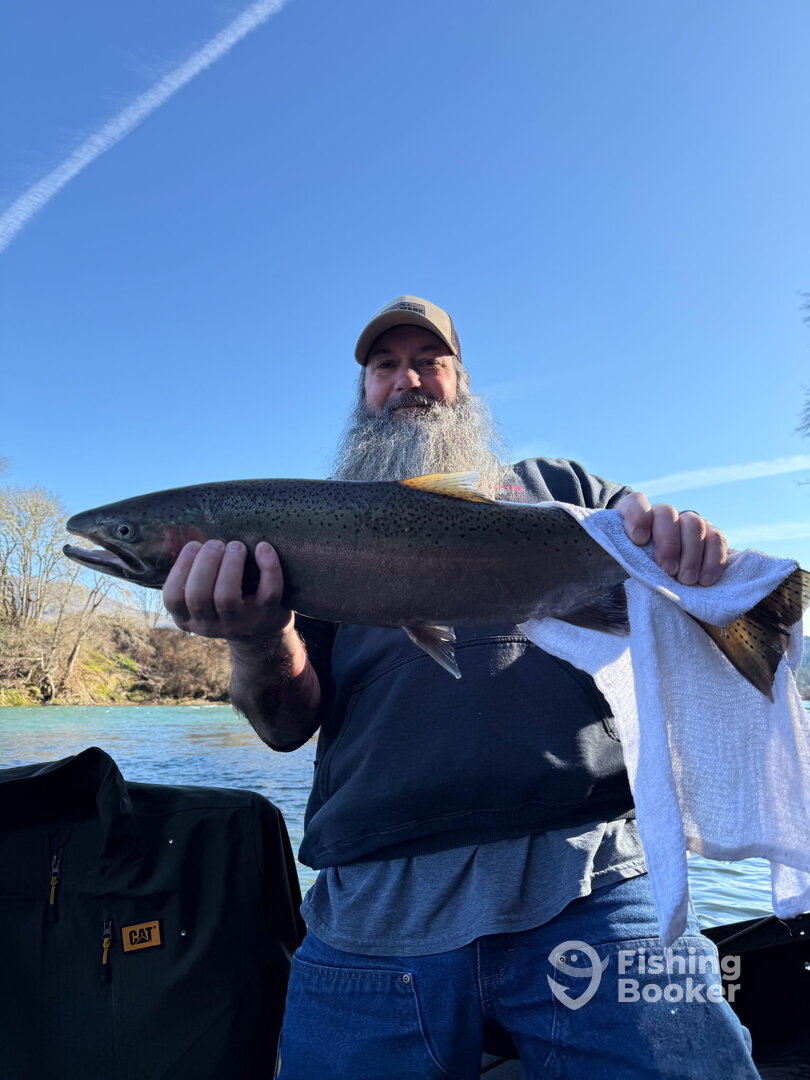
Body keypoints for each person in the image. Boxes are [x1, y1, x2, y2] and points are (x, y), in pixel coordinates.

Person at [163, 297, 759, 1079]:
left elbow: (655, 550)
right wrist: (255, 633)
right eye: (384, 366)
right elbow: (283, 726)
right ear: (364, 392)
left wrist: (690, 548)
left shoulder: (559, 486)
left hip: (594, 879)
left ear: (462, 381)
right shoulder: (310, 527)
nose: (406, 378)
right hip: (373, 906)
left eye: (427, 362)